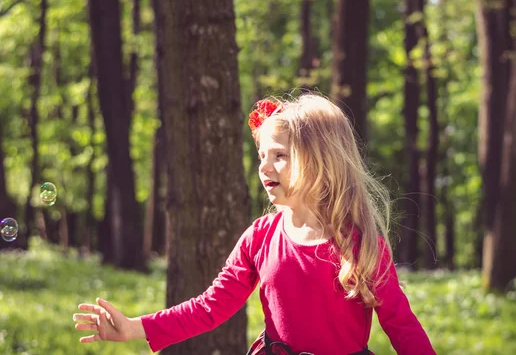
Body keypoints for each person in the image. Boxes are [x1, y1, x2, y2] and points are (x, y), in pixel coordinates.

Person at [73, 93, 436, 355]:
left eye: (280, 156)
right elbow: (210, 306)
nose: (264, 167)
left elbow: (402, 326)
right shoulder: (260, 237)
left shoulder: (360, 244)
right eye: (262, 155)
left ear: (322, 162)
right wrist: (135, 327)